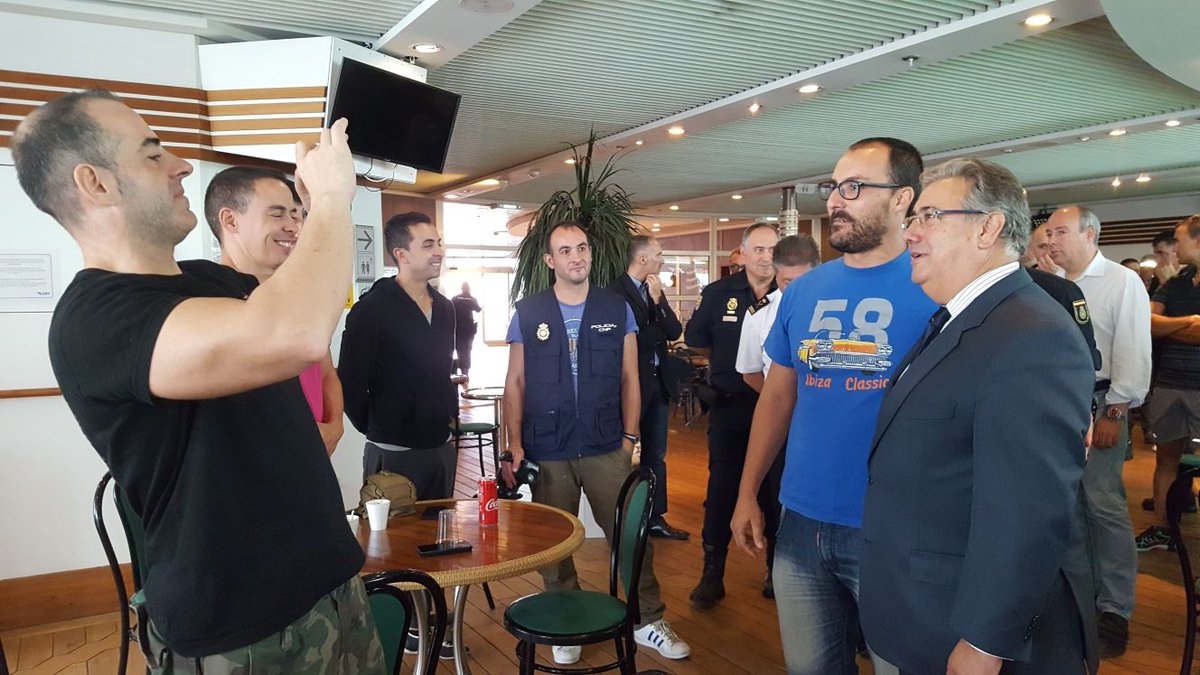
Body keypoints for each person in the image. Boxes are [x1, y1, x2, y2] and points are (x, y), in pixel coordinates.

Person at [14, 91, 383, 671]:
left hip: (332, 584)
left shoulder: (215, 280)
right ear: (95, 183)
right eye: (152, 154)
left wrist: (311, 212)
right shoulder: (95, 319)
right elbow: (294, 332)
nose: (182, 166)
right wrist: (336, 198)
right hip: (241, 627)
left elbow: (301, 308)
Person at [860, 157, 1094, 675]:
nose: (910, 233)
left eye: (928, 217)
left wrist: (985, 642)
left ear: (988, 228)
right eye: (911, 219)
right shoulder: (962, 319)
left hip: (963, 631)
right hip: (924, 612)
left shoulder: (1033, 335)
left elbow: (1027, 511)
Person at [730, 137, 933, 674]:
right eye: (834, 186)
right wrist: (748, 492)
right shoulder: (804, 291)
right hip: (801, 518)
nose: (836, 200)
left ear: (902, 198)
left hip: (896, 526)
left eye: (855, 187)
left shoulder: (935, 287)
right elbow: (778, 397)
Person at [503, 222, 691, 666]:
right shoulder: (528, 312)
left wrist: (630, 438)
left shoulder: (616, 307)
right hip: (548, 448)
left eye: (582, 248)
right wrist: (515, 444)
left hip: (607, 444)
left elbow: (630, 378)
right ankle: (564, 619)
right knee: (555, 543)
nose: (576, 257)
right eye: (565, 250)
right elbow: (515, 383)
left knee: (630, 534)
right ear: (550, 260)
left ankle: (647, 619)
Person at [1044, 203, 1152, 658]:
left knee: (1103, 505)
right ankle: (1081, 596)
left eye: (1061, 232)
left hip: (1103, 401)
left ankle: (1114, 607)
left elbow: (1132, 349)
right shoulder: (1048, 282)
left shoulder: (1120, 281)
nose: (1051, 240)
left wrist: (1116, 410)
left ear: (1090, 235)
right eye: (1048, 233)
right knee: (1068, 506)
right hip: (1056, 402)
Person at [205, 166, 344, 454]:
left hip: (313, 459)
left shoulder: (300, 296)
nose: (293, 227)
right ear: (230, 220)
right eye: (277, 214)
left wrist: (334, 427)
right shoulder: (208, 302)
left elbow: (325, 373)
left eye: (296, 215)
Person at [684, 222, 779, 610]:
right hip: (730, 406)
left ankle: (775, 570)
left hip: (775, 408)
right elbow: (696, 340)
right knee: (722, 489)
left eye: (773, 250)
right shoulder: (718, 293)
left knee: (775, 489)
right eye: (758, 249)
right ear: (742, 253)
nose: (766, 257)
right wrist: (728, 363)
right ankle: (712, 573)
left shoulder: (791, 293)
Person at [339, 212, 458, 499]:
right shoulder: (372, 310)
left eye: (439, 243)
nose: (439, 252)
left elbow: (442, 371)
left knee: (439, 524)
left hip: (440, 445)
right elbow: (350, 383)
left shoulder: (445, 307)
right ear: (401, 254)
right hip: (393, 450)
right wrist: (381, 427)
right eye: (428, 245)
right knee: (393, 529)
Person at [731, 234, 818, 598]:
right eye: (786, 282)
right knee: (777, 497)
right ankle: (777, 568)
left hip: (822, 428)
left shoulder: (835, 309)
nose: (793, 289)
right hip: (783, 427)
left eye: (802, 280)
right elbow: (750, 372)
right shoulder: (761, 314)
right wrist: (780, 403)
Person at [607, 235, 689, 540]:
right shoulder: (615, 293)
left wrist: (658, 301)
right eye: (659, 255)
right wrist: (655, 331)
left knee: (656, 454)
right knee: (622, 453)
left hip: (658, 383)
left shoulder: (655, 290)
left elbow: (674, 330)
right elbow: (629, 340)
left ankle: (654, 517)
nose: (662, 261)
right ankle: (619, 517)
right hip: (630, 385)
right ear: (642, 258)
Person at [1137, 215, 1200, 549]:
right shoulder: (1176, 282)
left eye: (1178, 239)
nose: (1175, 247)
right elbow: (1147, 322)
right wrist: (1190, 321)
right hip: (1169, 384)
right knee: (1166, 460)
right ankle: (1162, 530)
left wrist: (1170, 326)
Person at [451, 282, 482, 378]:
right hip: (467, 329)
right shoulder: (471, 299)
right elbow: (478, 309)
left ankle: (463, 368)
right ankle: (465, 369)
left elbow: (450, 310)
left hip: (460, 328)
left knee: (461, 348)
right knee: (466, 349)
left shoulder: (455, 299)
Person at [1150, 227, 1181, 295]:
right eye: (1156, 254)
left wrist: (1169, 284)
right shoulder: (1157, 278)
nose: (1158, 260)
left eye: (1161, 253)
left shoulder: (1193, 278)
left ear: (1177, 251)